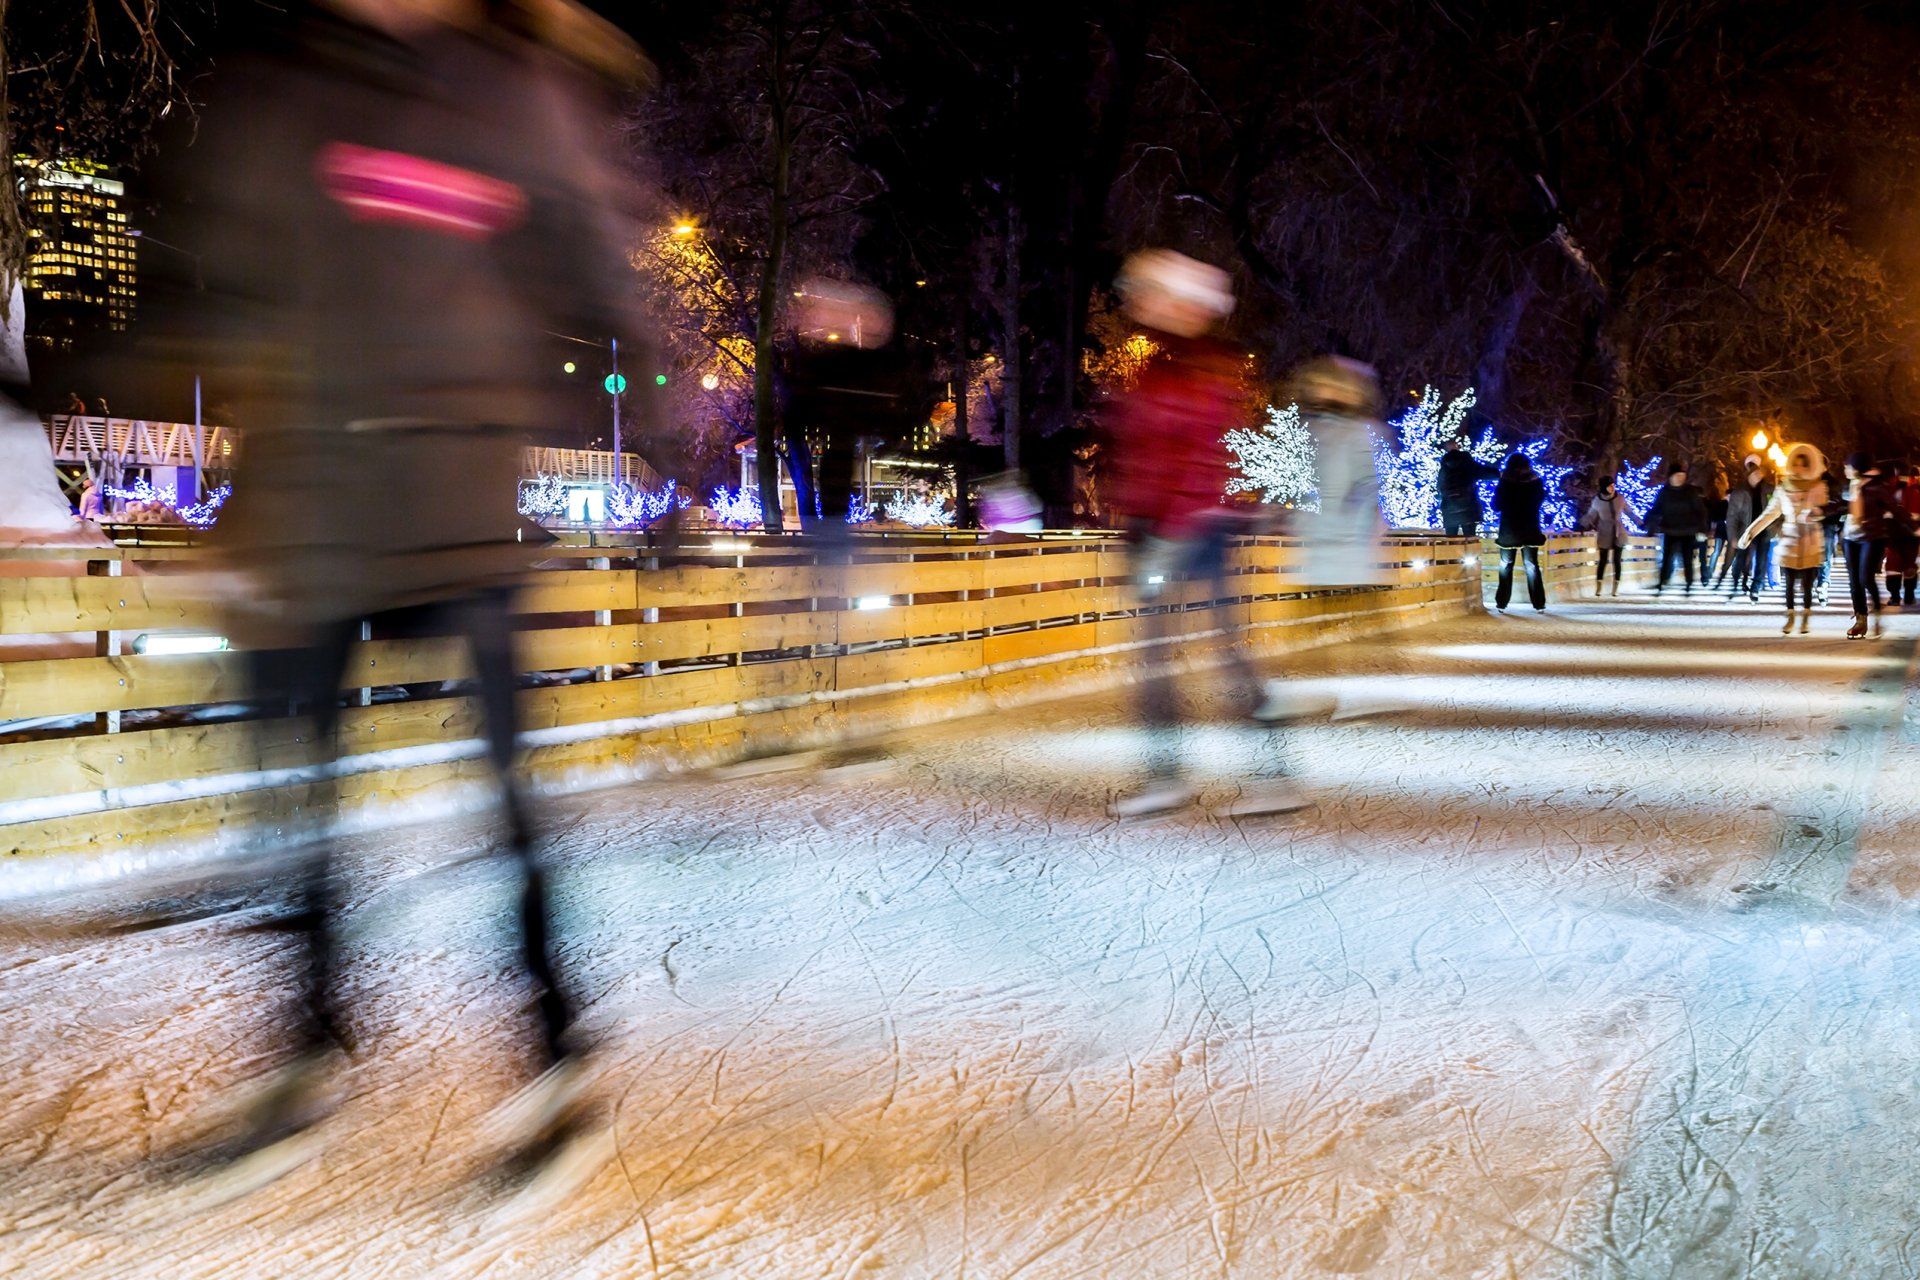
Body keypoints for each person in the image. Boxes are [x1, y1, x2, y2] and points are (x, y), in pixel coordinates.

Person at [170, 0, 656, 1206]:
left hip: (456, 499)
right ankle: (305, 1039)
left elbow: (592, 265)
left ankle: (554, 1052)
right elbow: (215, 281)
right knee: (294, 798)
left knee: (503, 802)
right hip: (311, 501)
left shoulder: (505, 91)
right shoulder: (281, 88)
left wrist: (655, 432)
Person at [1104, 249, 1297, 818]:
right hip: (1176, 529)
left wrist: (1162, 534)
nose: (1140, 303)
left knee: (1168, 656)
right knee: (1204, 654)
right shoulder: (1168, 366)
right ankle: (1262, 774)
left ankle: (1183, 775)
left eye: (1152, 293)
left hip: (1183, 532)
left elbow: (1191, 465)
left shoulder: (1196, 371)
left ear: (1185, 305)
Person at [1738, 443, 1830, 635]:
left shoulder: (1818, 486)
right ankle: (1790, 618)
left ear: (1809, 466)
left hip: (1811, 540)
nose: (1798, 469)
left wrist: (1815, 513)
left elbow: (1826, 510)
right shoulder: (1783, 489)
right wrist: (1750, 531)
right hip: (1790, 541)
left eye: (1803, 465)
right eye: (1795, 464)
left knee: (1807, 584)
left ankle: (1805, 617)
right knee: (1789, 583)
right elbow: (1770, 514)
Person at [1838, 452, 1905, 639]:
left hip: (1872, 537)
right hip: (1850, 537)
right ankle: (1860, 620)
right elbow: (1843, 506)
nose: (1845, 469)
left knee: (1865, 577)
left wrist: (1914, 526)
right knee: (1854, 582)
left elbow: (1894, 508)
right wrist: (1821, 510)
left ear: (1856, 467)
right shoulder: (1849, 486)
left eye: (1848, 466)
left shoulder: (1877, 487)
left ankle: (1876, 610)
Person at [1493, 453, 1547, 612]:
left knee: (1505, 565)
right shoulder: (1535, 481)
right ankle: (1539, 603)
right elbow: (1540, 499)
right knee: (1531, 565)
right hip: (1530, 527)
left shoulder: (1505, 482)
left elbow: (1496, 505)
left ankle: (1501, 602)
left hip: (1509, 528)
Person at [1646, 463, 1708, 595]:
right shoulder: (1665, 492)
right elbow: (1656, 509)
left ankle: (1688, 583)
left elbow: (1700, 511)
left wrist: (1702, 529)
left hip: (1688, 531)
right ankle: (1662, 582)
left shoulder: (1690, 492)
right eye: (1677, 476)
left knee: (1687, 559)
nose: (1680, 478)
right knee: (1667, 558)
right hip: (1670, 530)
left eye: (1682, 476)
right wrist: (1647, 520)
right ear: (1671, 477)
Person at [1716, 454, 1771, 601]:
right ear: (1748, 476)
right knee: (1741, 558)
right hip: (1745, 530)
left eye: (1759, 474)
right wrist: (1732, 536)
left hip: (1764, 530)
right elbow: (1732, 516)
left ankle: (1756, 586)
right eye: (1754, 474)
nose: (1757, 477)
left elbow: (1777, 511)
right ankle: (1736, 582)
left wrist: (1775, 528)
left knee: (1761, 559)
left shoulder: (1768, 489)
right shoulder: (1740, 491)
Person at [1438, 436, 1498, 538]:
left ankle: (1451, 553)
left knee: (1450, 541)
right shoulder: (1467, 463)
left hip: (1450, 507)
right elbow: (1483, 472)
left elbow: (1440, 487)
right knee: (1470, 539)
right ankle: (1470, 553)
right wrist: (1499, 474)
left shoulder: (1444, 468)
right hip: (1468, 505)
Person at [1584, 476, 1628, 596]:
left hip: (1619, 532)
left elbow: (1629, 512)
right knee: (1603, 560)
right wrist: (1582, 523)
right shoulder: (1597, 501)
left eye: (1613, 485)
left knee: (1617, 560)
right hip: (1604, 532)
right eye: (1610, 486)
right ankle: (1599, 587)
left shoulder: (1620, 498)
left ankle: (1616, 587)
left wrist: (1641, 523)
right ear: (1604, 487)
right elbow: (1591, 514)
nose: (1612, 488)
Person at [1884, 460, 1920, 608]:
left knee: (1897, 563)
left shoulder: (1890, 489)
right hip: (1907, 532)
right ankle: (1904, 595)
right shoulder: (1910, 490)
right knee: (1904, 564)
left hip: (1899, 532)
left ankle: (1898, 595)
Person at [1702, 469, 1729, 584]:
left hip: (1726, 531)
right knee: (1717, 551)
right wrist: (1714, 528)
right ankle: (1709, 573)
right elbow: (1715, 517)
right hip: (1722, 531)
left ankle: (1713, 573)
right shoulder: (1722, 504)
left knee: (1719, 551)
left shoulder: (1730, 504)